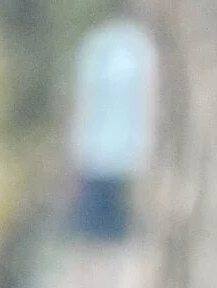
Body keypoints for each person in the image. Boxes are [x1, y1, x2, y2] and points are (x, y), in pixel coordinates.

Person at [66, 1, 150, 243]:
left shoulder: (101, 43)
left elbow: (85, 97)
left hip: (103, 146)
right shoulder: (136, 44)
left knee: (104, 223)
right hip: (121, 146)